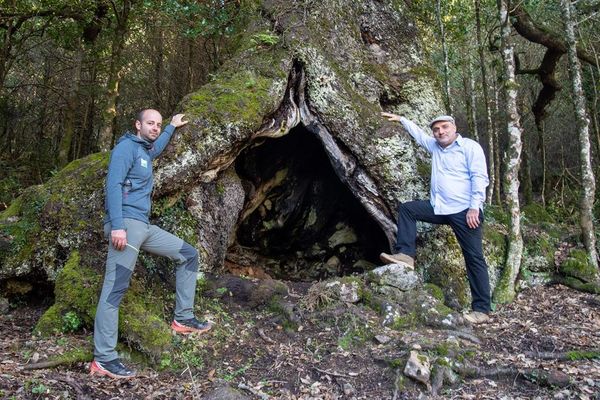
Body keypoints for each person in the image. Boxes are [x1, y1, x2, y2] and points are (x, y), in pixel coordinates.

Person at [90, 109, 212, 379]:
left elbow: (156, 149)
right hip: (127, 227)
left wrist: (171, 126)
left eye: (157, 124)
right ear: (137, 125)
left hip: (144, 227)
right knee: (114, 290)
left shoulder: (145, 151)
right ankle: (104, 358)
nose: (154, 128)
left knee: (188, 254)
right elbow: (113, 184)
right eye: (150, 123)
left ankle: (183, 318)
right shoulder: (125, 148)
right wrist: (118, 225)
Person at [379, 112, 491, 324]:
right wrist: (402, 119)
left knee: (474, 258)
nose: (440, 132)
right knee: (408, 209)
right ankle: (406, 256)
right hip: (439, 208)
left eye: (444, 128)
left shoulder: (469, 147)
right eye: (436, 130)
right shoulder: (435, 147)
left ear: (454, 127)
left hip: (464, 211)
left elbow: (479, 177)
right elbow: (419, 136)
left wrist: (474, 207)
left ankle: (482, 310)